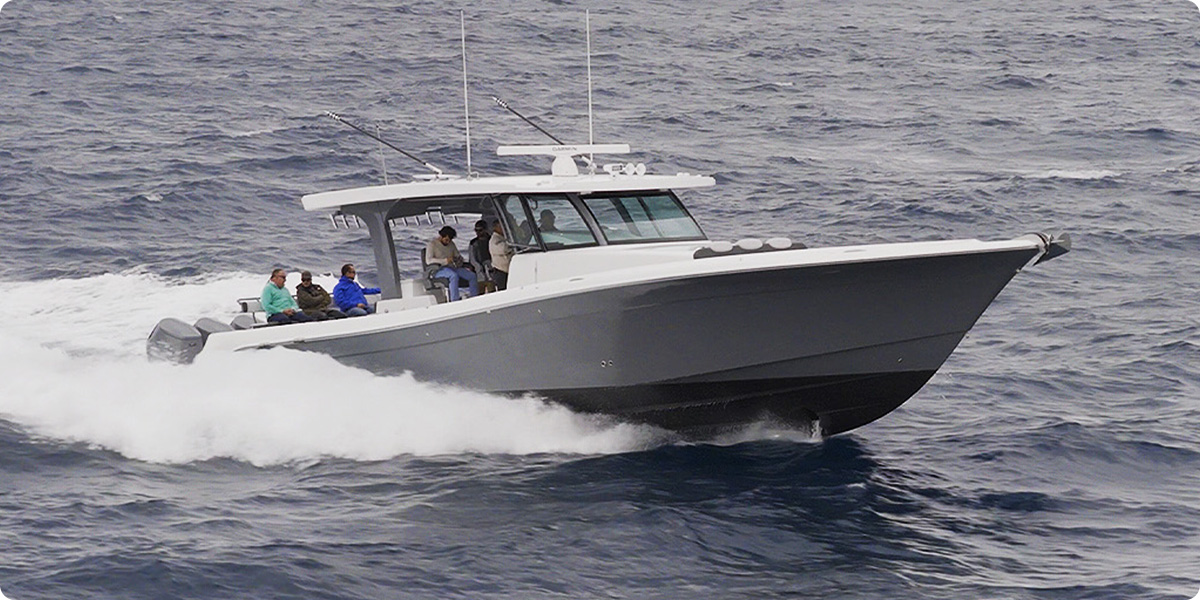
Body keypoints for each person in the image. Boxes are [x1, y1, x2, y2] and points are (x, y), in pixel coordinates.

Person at [425, 225, 478, 301]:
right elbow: (428, 260)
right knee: (453, 276)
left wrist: (459, 260)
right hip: (438, 269)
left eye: (450, 240)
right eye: (446, 240)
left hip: (452, 267)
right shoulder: (432, 245)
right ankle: (455, 299)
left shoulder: (451, 244)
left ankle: (474, 297)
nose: (448, 242)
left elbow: (457, 255)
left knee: (472, 276)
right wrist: (445, 261)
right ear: (441, 236)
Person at [468, 219, 493, 293]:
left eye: (480, 230)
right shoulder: (473, 243)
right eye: (476, 230)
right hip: (479, 273)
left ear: (485, 230)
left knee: (492, 292)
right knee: (479, 293)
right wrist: (478, 267)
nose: (478, 232)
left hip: (491, 271)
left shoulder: (491, 240)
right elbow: (472, 258)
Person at [488, 220, 514, 291]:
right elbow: (503, 249)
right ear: (496, 227)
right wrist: (511, 245)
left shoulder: (503, 237)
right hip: (500, 271)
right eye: (501, 226)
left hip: (509, 270)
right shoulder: (494, 240)